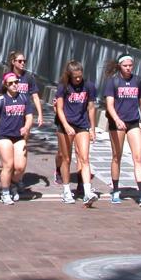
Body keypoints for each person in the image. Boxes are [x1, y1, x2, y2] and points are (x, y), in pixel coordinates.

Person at [103, 54, 141, 207]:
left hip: (133, 122)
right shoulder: (113, 82)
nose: (128, 68)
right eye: (125, 66)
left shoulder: (137, 80)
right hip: (117, 123)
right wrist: (117, 120)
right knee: (116, 157)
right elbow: (109, 104)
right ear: (120, 66)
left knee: (137, 157)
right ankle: (116, 190)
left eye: (130, 65)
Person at [0, 50, 45, 186]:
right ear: (13, 62)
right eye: (20, 61)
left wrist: (40, 115)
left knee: (23, 147)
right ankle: (8, 171)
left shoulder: (28, 78)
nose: (23, 63)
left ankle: (19, 176)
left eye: (24, 61)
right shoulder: (7, 77)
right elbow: (0, 97)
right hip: (11, 116)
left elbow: (35, 96)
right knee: (8, 150)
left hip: (25, 117)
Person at [54, 60, 98, 207]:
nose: (78, 79)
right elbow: (59, 108)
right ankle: (66, 190)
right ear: (69, 75)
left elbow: (91, 108)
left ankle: (87, 191)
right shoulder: (63, 87)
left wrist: (92, 128)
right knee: (66, 159)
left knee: (84, 157)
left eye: (80, 76)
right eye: (75, 77)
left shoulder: (89, 86)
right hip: (66, 124)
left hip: (82, 124)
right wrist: (66, 125)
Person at [0, 72, 34, 205]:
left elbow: (30, 117)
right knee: (8, 165)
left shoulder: (24, 98)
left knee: (20, 167)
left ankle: (13, 183)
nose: (14, 85)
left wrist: (26, 127)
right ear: (5, 85)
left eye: (16, 82)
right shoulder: (1, 100)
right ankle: (5, 192)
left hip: (19, 136)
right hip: (3, 135)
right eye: (11, 83)